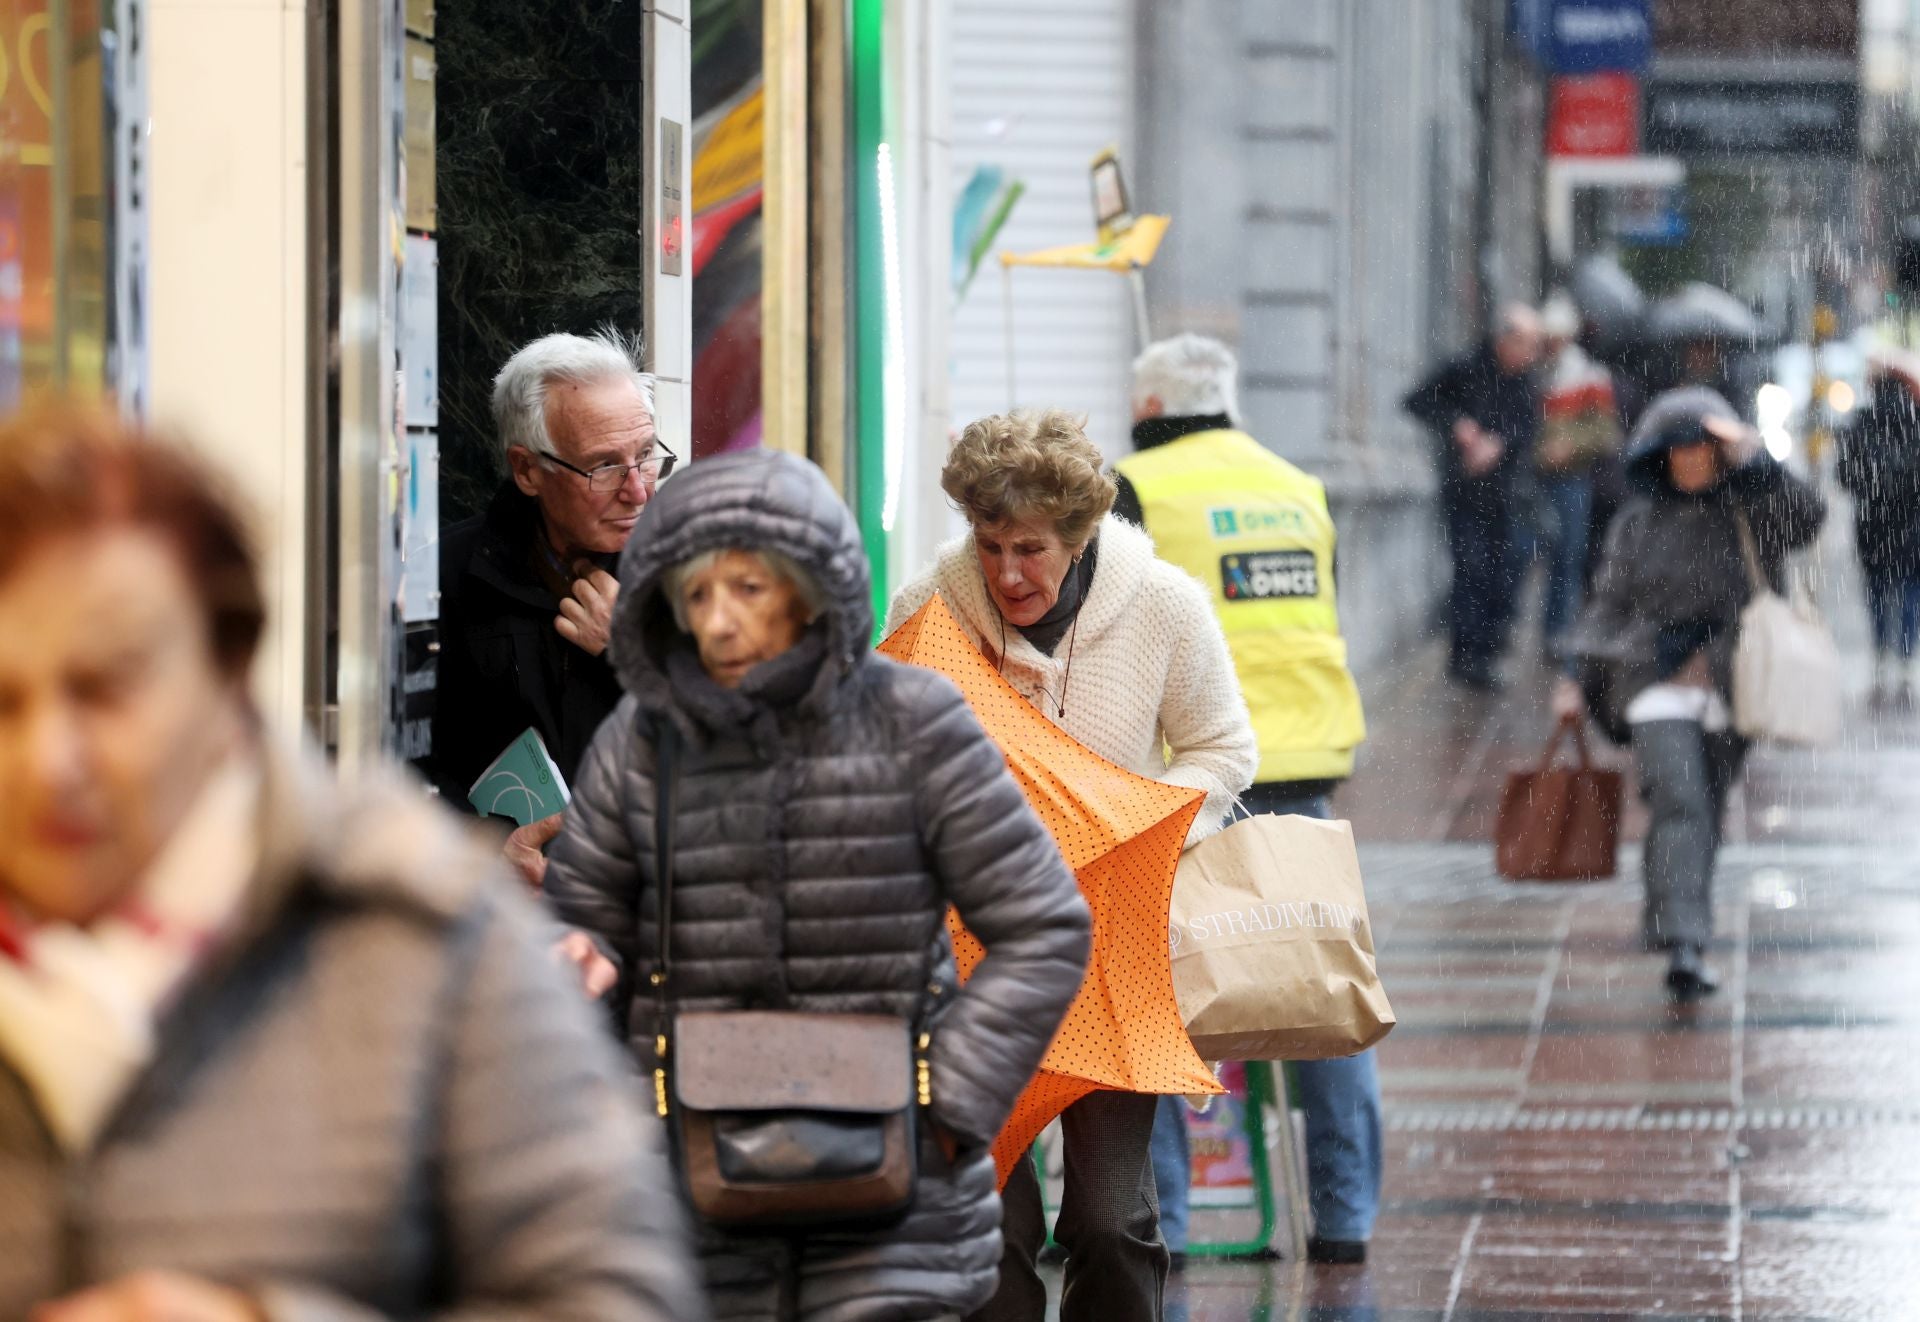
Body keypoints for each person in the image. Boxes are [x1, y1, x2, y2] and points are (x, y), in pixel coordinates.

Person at [0, 404, 701, 1320]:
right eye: (6, 700)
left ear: (229, 671)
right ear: (532, 470)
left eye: (106, 688)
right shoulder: (470, 576)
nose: (50, 758)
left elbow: (620, 1298)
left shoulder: (420, 937)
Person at [543, 448, 1092, 1322]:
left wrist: (947, 1103)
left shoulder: (917, 724)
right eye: (697, 595)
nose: (720, 623)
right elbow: (578, 926)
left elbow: (1045, 926)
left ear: (809, 590)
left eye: (748, 592)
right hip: (692, 1195)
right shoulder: (642, 745)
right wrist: (576, 968)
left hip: (894, 1202)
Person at [887, 410, 1259, 1322]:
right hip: (967, 961)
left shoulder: (1163, 604)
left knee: (1109, 1217)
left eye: (1030, 548)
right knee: (987, 1215)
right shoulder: (925, 613)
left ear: (1080, 535)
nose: (1008, 572)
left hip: (1112, 950)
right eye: (989, 544)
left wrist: (1142, 824)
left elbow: (1223, 748)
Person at [1115, 334, 1381, 1268]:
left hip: (1194, 774)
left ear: (1148, 408)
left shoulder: (1136, 488)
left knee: (1157, 997)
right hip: (1306, 764)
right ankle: (1345, 1219)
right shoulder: (1297, 487)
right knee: (1322, 992)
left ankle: (1167, 1223)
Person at [1557, 388, 1825, 997]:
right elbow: (1608, 604)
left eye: (1702, 449)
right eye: (1677, 449)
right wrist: (1575, 675)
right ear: (1659, 456)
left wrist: (1755, 459)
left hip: (1735, 688)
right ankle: (1686, 943)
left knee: (1701, 809)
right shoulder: (1637, 523)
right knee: (1681, 801)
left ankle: (1672, 919)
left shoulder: (1753, 511)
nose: (1690, 460)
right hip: (1651, 682)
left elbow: (1810, 518)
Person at [429, 327, 675, 887]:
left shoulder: (691, 577)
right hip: (500, 925)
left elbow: (749, 749)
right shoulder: (447, 577)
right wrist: (487, 850)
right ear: (528, 471)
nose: (638, 490)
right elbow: (399, 769)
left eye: (646, 455)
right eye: (605, 467)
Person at [1403, 303, 1545, 691]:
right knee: (1470, 568)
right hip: (1464, 489)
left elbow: (1528, 426)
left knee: (1505, 569)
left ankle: (1488, 646)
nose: (1531, 354)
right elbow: (1417, 400)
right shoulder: (1465, 367)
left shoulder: (1526, 380)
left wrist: (1499, 444)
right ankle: (1466, 656)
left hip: (1505, 492)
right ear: (1506, 339)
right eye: (1526, 344)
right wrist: (1459, 427)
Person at [1533, 294, 1624, 656]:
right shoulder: (1536, 373)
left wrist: (1569, 445)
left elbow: (1606, 432)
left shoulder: (1589, 376)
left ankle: (1558, 633)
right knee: (1524, 555)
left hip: (1571, 479)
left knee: (1566, 557)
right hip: (1536, 478)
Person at [1837, 364, 1920, 707]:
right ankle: (1902, 663)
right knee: (1911, 594)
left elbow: (1844, 475)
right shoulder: (1916, 421)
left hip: (1873, 526)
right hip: (1914, 526)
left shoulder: (1861, 423)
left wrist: (1873, 491)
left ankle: (1880, 660)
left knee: (1877, 593)